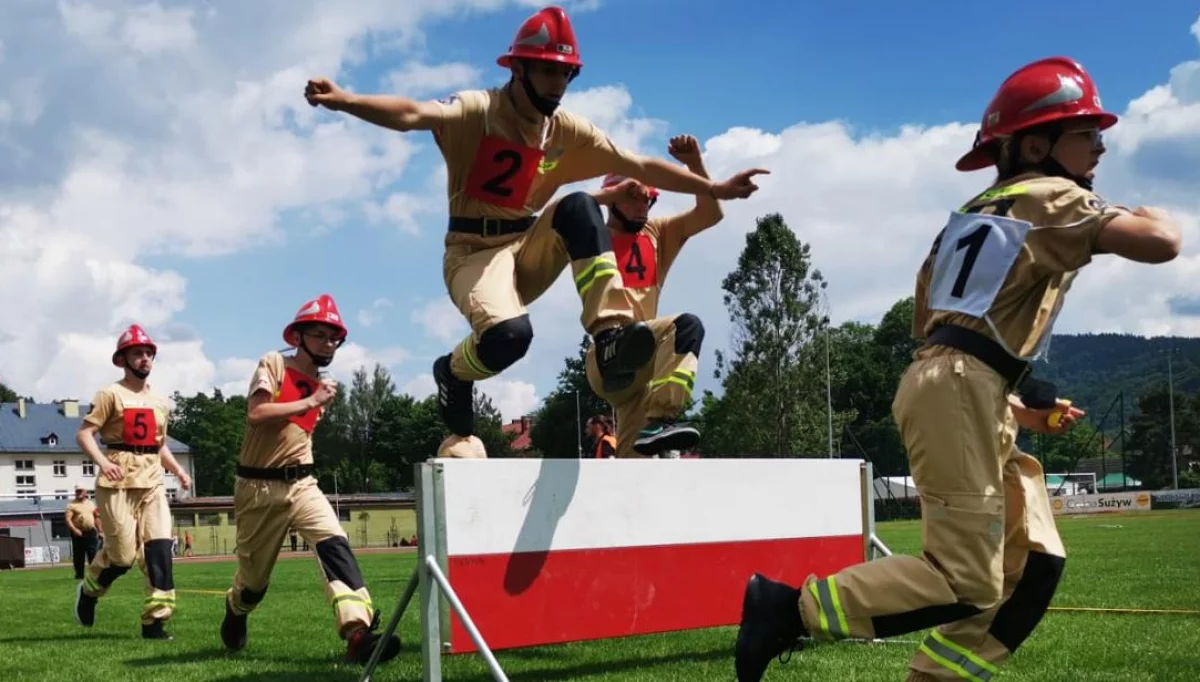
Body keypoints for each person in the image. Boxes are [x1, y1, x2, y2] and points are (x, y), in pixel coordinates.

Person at [733, 56, 1182, 682]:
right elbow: (1162, 244)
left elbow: (949, 334)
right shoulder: (1054, 193)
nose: (1100, 149)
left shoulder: (965, 220)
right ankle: (787, 609)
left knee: (1032, 563)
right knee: (966, 579)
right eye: (1088, 134)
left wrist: (1015, 410)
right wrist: (1149, 209)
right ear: (1036, 144)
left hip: (965, 385)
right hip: (963, 388)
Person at [304, 5, 767, 459]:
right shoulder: (480, 110)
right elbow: (411, 114)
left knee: (580, 206)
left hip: (526, 244)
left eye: (566, 75)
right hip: (473, 252)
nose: (558, 86)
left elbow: (639, 164)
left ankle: (608, 340)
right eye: (549, 73)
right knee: (511, 337)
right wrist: (345, 99)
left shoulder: (566, 130)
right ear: (519, 69)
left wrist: (714, 186)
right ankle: (453, 370)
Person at [220, 294, 401, 665]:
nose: (328, 344)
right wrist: (311, 401)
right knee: (254, 583)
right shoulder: (274, 364)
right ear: (298, 336)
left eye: (334, 338)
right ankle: (237, 608)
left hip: (304, 483)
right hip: (257, 487)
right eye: (319, 335)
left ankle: (358, 634)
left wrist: (316, 399)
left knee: (335, 543)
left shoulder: (324, 385)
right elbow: (257, 413)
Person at [584, 134, 723, 456]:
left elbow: (711, 214)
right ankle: (662, 416)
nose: (643, 205)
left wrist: (694, 164)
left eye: (649, 199)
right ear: (613, 198)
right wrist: (610, 192)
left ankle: (652, 428)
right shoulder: (590, 234)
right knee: (685, 326)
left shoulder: (657, 233)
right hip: (607, 356)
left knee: (637, 461)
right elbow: (565, 211)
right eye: (634, 198)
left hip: (643, 367)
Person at [74, 324, 193, 640]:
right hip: (117, 483)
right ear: (122, 359)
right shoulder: (110, 394)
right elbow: (85, 434)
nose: (144, 359)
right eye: (137, 353)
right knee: (123, 557)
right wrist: (102, 462)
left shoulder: (160, 401)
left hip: (152, 482)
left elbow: (159, 445)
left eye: (148, 354)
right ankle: (89, 591)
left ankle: (154, 621)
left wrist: (178, 471)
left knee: (159, 549)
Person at [65, 484, 99, 580]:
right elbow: (68, 520)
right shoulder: (71, 505)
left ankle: (94, 574)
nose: (78, 493)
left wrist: (100, 530)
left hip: (91, 532)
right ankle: (79, 574)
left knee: (93, 554)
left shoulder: (91, 503)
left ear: (85, 492)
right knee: (79, 555)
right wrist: (74, 530)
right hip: (78, 533)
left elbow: (96, 517)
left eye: (80, 491)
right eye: (77, 491)